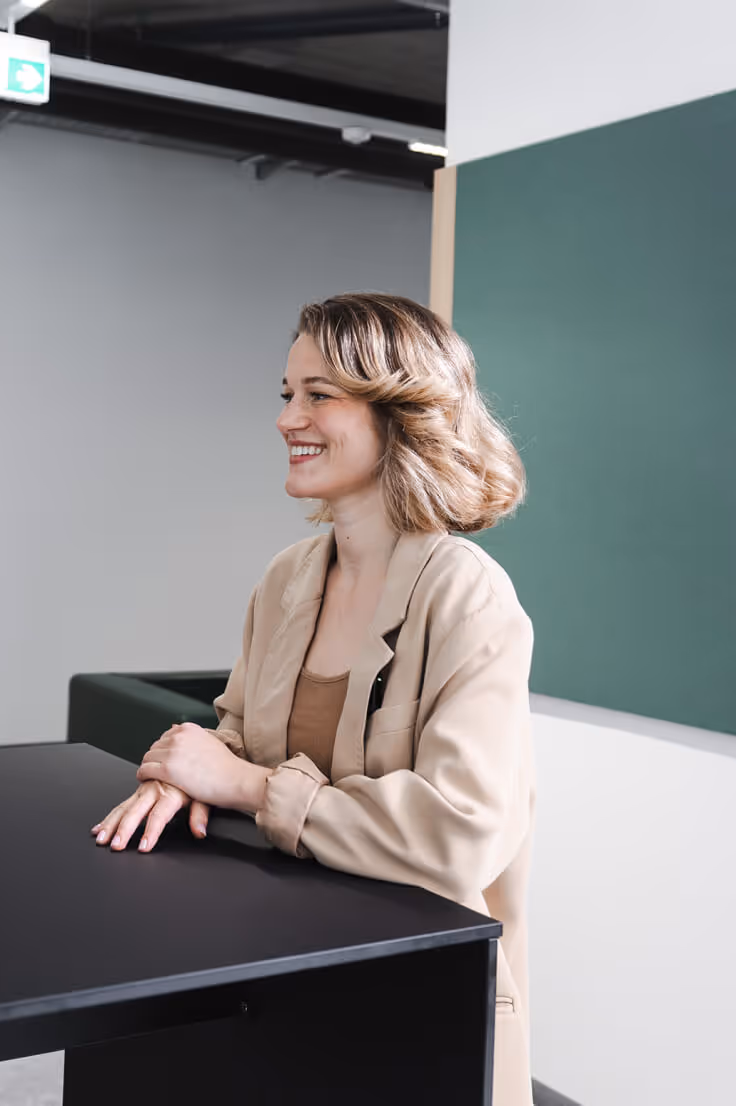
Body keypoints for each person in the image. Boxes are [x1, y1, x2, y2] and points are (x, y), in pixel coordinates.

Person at [93, 293, 534, 1106]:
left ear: (400, 411)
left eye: (318, 394)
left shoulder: (468, 596)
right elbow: (235, 734)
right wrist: (185, 774)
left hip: (413, 1002)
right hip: (279, 968)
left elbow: (459, 838)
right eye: (286, 393)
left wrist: (248, 786)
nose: (286, 418)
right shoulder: (287, 577)